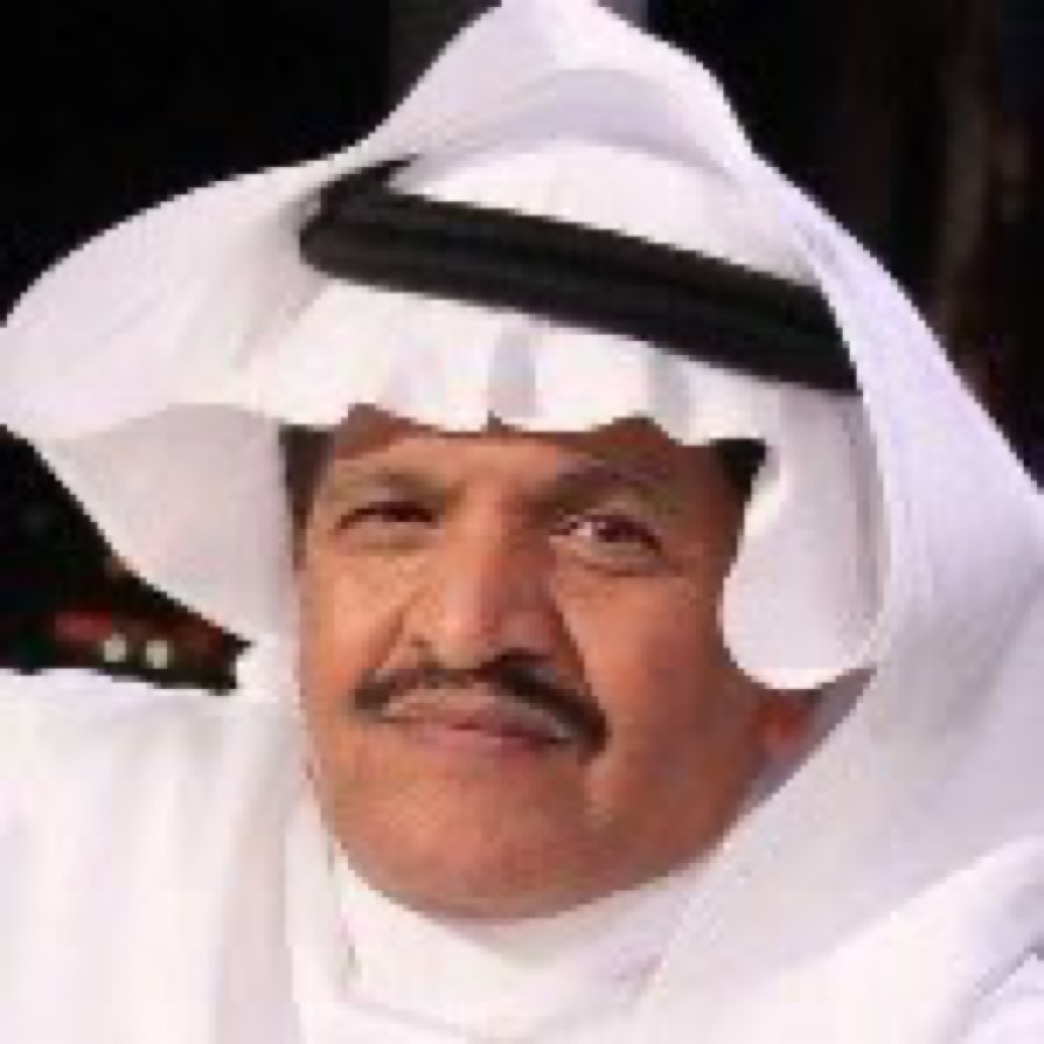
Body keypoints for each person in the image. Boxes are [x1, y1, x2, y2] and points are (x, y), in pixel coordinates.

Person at [2, 1, 1043, 1040]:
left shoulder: (939, 1012)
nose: (466, 627)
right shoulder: (66, 844)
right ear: (301, 570)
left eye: (606, 537)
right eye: (396, 516)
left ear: (797, 651)